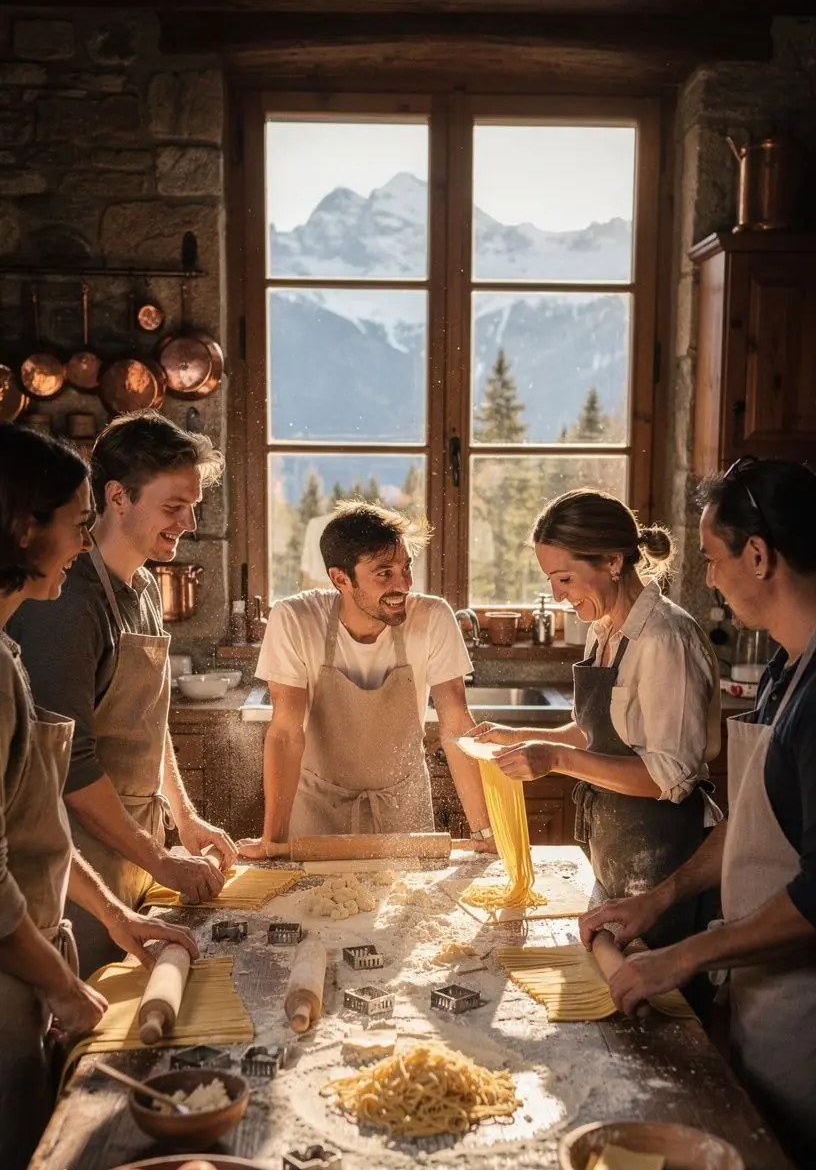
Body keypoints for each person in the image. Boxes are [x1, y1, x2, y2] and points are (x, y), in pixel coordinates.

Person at [581, 460, 816, 1170]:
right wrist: (661, 899)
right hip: (754, 993)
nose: (708, 579)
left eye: (713, 560)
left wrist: (685, 955)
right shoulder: (783, 672)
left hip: (805, 1018)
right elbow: (749, 828)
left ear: (759, 555)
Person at [0, 422, 197, 1170]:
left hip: (52, 921)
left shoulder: (13, 654)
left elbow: (33, 815)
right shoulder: (54, 616)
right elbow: (36, 825)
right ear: (23, 529)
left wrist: (119, 914)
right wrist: (60, 985)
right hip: (18, 956)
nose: (83, 544)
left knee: (40, 1145)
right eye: (75, 524)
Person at [8, 411, 237, 978]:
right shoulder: (64, 601)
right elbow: (70, 763)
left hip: (139, 848)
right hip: (84, 861)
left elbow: (147, 722)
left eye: (193, 505)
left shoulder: (143, 589)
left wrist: (185, 822)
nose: (189, 522)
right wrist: (159, 858)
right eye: (173, 506)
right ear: (118, 497)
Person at [473, 490, 721, 1004]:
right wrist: (523, 738)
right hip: (613, 849)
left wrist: (557, 759)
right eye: (551, 582)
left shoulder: (666, 638)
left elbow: (667, 776)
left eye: (565, 579)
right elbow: (597, 733)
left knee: (664, 1024)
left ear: (612, 561)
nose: (561, 596)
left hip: (663, 860)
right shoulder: (604, 628)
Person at [239, 499, 493, 849]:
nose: (402, 585)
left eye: (406, 568)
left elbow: (456, 726)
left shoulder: (432, 617)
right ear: (340, 578)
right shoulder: (295, 619)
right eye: (383, 573)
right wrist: (273, 841)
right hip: (318, 810)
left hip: (405, 808)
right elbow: (286, 732)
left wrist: (486, 833)